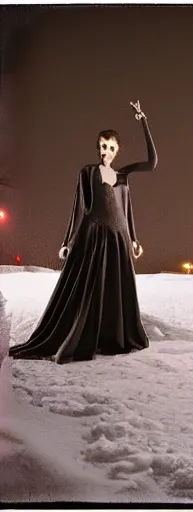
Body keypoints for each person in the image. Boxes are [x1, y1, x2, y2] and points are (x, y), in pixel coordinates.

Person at [10, 101, 157, 364]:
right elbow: (79, 208)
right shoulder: (87, 173)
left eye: (111, 147)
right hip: (95, 235)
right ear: (98, 147)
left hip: (118, 237)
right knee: (89, 288)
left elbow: (148, 169)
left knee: (115, 290)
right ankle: (83, 336)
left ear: (117, 150)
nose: (107, 151)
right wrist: (67, 241)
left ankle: (112, 337)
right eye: (103, 146)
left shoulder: (123, 175)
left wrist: (142, 119)